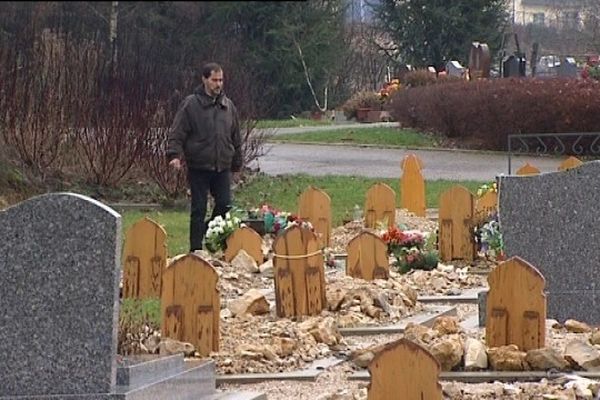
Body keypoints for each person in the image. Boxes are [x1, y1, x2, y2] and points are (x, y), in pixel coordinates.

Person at [166, 62, 242, 252]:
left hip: (222, 165)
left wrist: (237, 164)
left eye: (221, 80)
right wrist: (174, 155)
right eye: (214, 80)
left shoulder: (228, 106)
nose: (218, 84)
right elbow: (178, 131)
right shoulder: (191, 104)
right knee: (198, 209)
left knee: (225, 206)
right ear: (204, 80)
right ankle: (195, 249)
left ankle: (212, 233)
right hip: (199, 165)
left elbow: (236, 137)